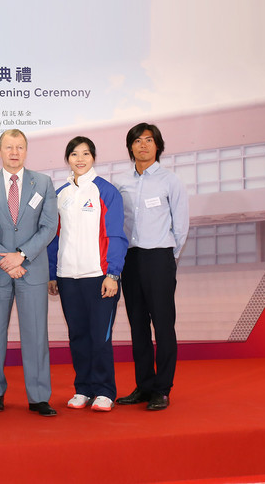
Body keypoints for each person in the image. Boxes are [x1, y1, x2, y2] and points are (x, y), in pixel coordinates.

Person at [0, 129, 59, 417]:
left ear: (26, 151)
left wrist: (21, 255)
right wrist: (4, 259)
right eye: (9, 147)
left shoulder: (44, 182)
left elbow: (49, 226)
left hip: (31, 268)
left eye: (20, 147)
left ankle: (39, 396)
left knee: (36, 334)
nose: (14, 152)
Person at [47, 136, 128, 412]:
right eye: (74, 154)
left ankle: (105, 390)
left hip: (99, 277)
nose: (79, 159)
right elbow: (55, 237)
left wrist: (113, 274)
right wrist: (53, 273)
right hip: (68, 277)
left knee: (100, 336)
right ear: (67, 159)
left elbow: (116, 235)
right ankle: (83, 388)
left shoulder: (106, 192)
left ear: (93, 157)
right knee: (78, 335)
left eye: (85, 154)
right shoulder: (61, 195)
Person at [115, 123, 189, 411]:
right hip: (130, 260)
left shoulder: (171, 181)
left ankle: (162, 388)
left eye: (149, 140)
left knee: (163, 325)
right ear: (130, 147)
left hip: (159, 258)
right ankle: (144, 386)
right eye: (137, 140)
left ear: (158, 146)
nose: (143, 145)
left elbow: (181, 225)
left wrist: (170, 256)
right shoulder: (120, 182)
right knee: (138, 326)